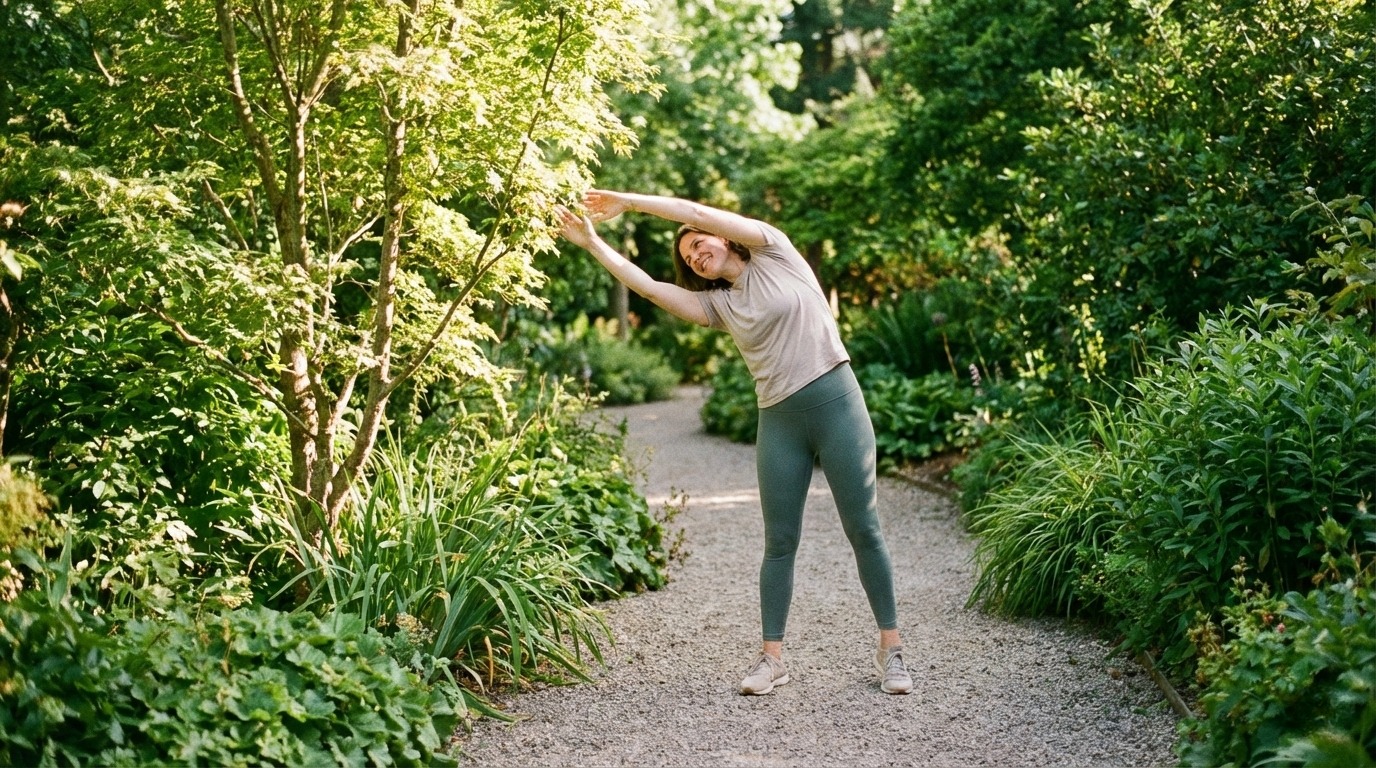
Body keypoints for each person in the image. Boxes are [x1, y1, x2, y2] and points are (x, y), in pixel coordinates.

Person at [555, 190, 913, 696]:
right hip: (780, 420)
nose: (697, 255)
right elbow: (653, 289)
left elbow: (695, 212)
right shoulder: (718, 305)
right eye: (690, 257)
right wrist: (593, 243)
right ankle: (772, 660)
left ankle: (891, 650)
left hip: (838, 406)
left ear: (723, 238)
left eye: (700, 244)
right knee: (780, 542)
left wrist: (628, 204)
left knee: (864, 529)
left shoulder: (775, 252)